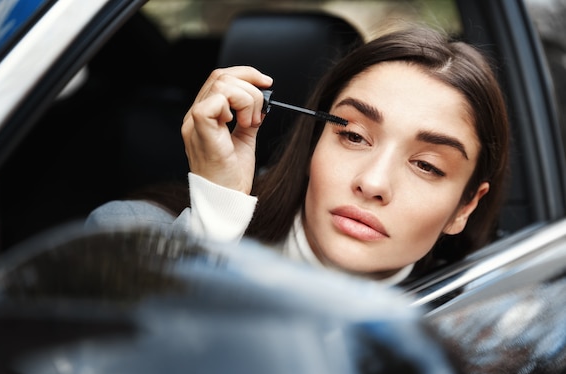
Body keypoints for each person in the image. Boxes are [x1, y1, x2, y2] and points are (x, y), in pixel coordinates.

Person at [86, 26, 510, 285]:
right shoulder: (128, 236)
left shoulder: (484, 321)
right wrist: (215, 215)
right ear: (314, 142)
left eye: (427, 165)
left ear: (465, 206)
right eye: (355, 137)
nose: (373, 183)